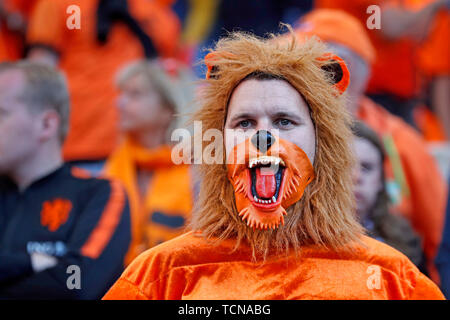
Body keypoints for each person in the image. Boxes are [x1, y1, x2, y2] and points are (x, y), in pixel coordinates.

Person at [103, 31, 444, 299]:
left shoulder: (392, 278)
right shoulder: (161, 275)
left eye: (283, 121)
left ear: (320, 144)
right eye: (245, 123)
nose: (263, 137)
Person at [294, 8, 448, 282]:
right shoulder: (276, 134)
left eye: (305, 66)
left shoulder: (402, 144)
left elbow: (436, 239)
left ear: (346, 74)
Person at [0, 62, 131, 299]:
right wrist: (31, 262)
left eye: (1, 113)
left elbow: (77, 285)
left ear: (46, 124)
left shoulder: (99, 193)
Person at [25, 0, 181, 172]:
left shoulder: (154, 9)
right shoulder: (64, 5)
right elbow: (39, 75)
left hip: (140, 157)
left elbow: (169, 78)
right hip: (72, 148)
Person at [104, 58, 196, 265]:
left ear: (169, 109)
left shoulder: (198, 171)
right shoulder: (115, 164)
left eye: (135, 94)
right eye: (122, 93)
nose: (119, 102)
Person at [352, 121, 424, 268]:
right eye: (346, 166)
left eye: (367, 168)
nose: (357, 177)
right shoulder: (305, 240)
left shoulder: (405, 241)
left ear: (380, 180)